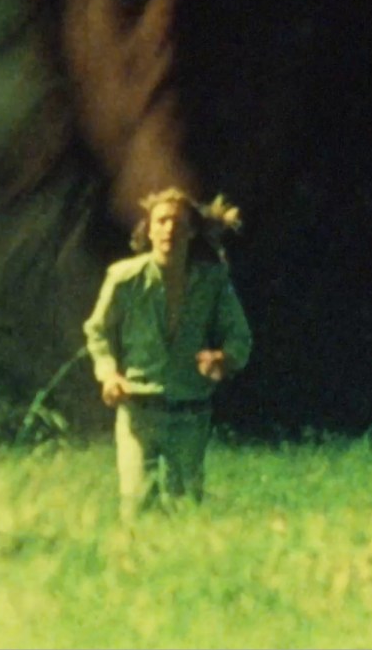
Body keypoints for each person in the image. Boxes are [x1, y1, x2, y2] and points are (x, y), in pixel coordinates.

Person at [84, 187, 252, 520]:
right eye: (161, 221)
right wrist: (108, 374)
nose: (169, 229)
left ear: (191, 231)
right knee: (135, 503)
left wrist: (225, 358)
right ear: (149, 228)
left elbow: (239, 335)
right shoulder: (124, 279)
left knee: (185, 506)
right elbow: (98, 331)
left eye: (178, 222)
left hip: (190, 412)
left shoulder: (213, 283)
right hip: (139, 409)